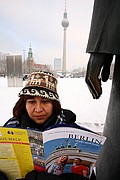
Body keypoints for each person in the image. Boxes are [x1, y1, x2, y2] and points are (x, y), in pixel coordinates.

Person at [1, 71, 89, 180]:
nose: (38, 109)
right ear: (24, 104)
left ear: (54, 104)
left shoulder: (70, 130)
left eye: (45, 101)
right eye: (32, 102)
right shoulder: (10, 128)